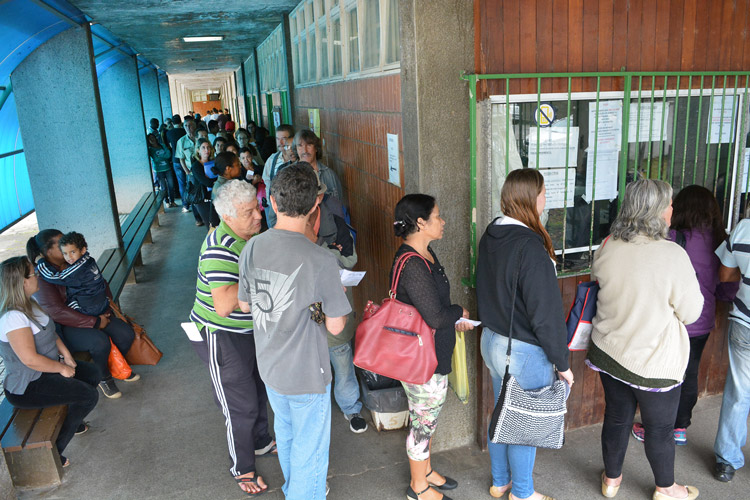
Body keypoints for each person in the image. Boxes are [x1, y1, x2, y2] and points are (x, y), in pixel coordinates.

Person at [237, 164, 351, 500]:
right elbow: (335, 324)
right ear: (316, 206)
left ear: (272, 202)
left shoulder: (252, 248)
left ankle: (294, 488)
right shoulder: (320, 259)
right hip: (306, 372)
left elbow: (245, 305)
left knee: (285, 433)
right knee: (311, 447)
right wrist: (318, 305)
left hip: (270, 366)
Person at [588, 179, 703, 500]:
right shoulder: (672, 255)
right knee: (660, 429)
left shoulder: (609, 244)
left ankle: (611, 482)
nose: (672, 210)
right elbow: (692, 312)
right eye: (668, 204)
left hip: (609, 351)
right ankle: (666, 488)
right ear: (655, 211)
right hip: (653, 363)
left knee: (616, 416)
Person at [476, 168, 574, 500]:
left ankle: (499, 481)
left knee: (504, 409)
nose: (546, 198)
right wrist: (563, 363)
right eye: (543, 192)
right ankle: (521, 492)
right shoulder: (531, 247)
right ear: (531, 199)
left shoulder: (492, 234)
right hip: (522, 351)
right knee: (522, 421)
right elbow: (545, 316)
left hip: (491, 341)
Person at [631, 185, 735, 447]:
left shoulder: (672, 238)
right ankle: (680, 428)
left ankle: (655, 429)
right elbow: (727, 288)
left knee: (664, 377)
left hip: (671, 322)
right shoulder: (720, 241)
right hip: (701, 322)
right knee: (689, 374)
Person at [189, 179, 274, 497]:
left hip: (247, 330)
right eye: (249, 211)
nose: (258, 215)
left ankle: (262, 441)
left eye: (258, 207)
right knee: (240, 404)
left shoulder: (249, 236)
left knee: (258, 387)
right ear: (227, 216)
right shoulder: (219, 248)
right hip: (220, 335)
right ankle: (242, 467)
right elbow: (225, 306)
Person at [389, 193, 475, 500]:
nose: (443, 221)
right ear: (421, 222)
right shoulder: (412, 263)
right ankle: (419, 487)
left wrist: (452, 317)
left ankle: (425, 470)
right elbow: (437, 316)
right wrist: (460, 312)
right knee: (422, 424)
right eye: (437, 216)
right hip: (420, 361)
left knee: (424, 418)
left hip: (430, 353)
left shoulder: (426, 254)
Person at [0, 256, 100, 468]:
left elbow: (51, 332)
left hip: (48, 369)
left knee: (92, 374)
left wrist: (67, 355)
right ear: (22, 282)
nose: (37, 276)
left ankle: (73, 420)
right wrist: (62, 368)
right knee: (88, 396)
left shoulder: (30, 302)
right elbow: (30, 359)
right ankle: (56, 449)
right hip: (28, 384)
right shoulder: (13, 317)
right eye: (33, 274)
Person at [28, 230, 140, 400]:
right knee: (99, 341)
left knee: (125, 333)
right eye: (61, 245)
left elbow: (100, 283)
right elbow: (57, 312)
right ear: (48, 251)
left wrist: (106, 307)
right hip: (66, 326)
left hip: (93, 313)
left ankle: (113, 367)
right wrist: (94, 322)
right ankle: (103, 377)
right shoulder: (43, 276)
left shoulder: (74, 262)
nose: (66, 244)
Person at [303, 166, 366, 433]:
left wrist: (325, 252)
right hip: (303, 310)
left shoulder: (334, 219)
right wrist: (330, 254)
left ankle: (351, 408)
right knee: (307, 362)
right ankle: (312, 415)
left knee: (341, 356)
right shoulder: (284, 227)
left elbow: (350, 257)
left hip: (333, 305)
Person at [712, 212, 750, 482]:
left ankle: (727, 460)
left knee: (739, 392)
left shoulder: (744, 228)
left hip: (745, 322)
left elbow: (725, 274)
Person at [37, 231, 109, 316]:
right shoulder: (89, 260)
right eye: (65, 253)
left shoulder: (78, 269)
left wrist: (41, 261)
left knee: (65, 309)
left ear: (83, 250)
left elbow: (54, 277)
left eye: (72, 252)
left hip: (89, 308)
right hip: (102, 302)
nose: (69, 257)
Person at [294, 129, 343, 201]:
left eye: (309, 145)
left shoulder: (329, 175)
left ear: (316, 148)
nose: (305, 150)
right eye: (300, 146)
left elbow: (338, 206)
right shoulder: (288, 175)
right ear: (296, 149)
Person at [262, 124, 295, 228]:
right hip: (273, 208)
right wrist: (269, 205)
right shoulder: (272, 160)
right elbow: (267, 182)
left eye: (284, 139)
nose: (280, 143)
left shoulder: (296, 160)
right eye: (277, 139)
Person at [191, 138, 219, 228]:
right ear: (198, 150)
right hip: (203, 200)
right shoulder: (196, 166)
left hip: (214, 196)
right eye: (203, 148)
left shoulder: (213, 162)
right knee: (211, 225)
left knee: (218, 224)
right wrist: (215, 181)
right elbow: (207, 182)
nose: (206, 150)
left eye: (208, 147)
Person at [147, 133, 177, 208]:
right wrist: (163, 157)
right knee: (163, 187)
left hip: (167, 169)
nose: (152, 140)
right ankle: (166, 201)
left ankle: (172, 201)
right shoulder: (150, 149)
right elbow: (155, 159)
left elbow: (169, 154)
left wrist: (160, 157)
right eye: (149, 139)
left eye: (152, 137)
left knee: (171, 185)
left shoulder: (162, 145)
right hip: (159, 170)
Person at [166, 114, 188, 209]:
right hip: (187, 159)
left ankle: (185, 205)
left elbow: (170, 145)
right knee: (189, 181)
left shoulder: (169, 133)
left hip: (176, 159)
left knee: (181, 183)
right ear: (180, 122)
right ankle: (193, 200)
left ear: (172, 123)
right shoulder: (184, 131)